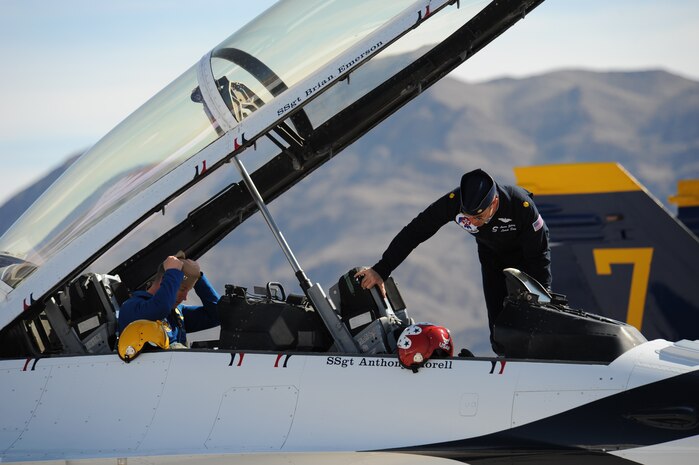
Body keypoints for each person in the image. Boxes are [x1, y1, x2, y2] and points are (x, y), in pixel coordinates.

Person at [356, 168, 551, 354]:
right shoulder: (454, 201)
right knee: (498, 324)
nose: (473, 222)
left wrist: (543, 299)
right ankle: (503, 359)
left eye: (478, 217)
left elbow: (539, 258)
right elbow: (416, 230)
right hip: (491, 255)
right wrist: (381, 270)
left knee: (532, 316)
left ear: (494, 203)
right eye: (468, 217)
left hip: (526, 256)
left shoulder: (520, 205)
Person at [118, 255, 221, 347]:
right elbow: (160, 308)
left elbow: (219, 315)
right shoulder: (132, 307)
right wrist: (173, 273)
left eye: (188, 291)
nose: (185, 297)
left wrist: (198, 278)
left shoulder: (177, 313)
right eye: (182, 289)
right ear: (165, 281)